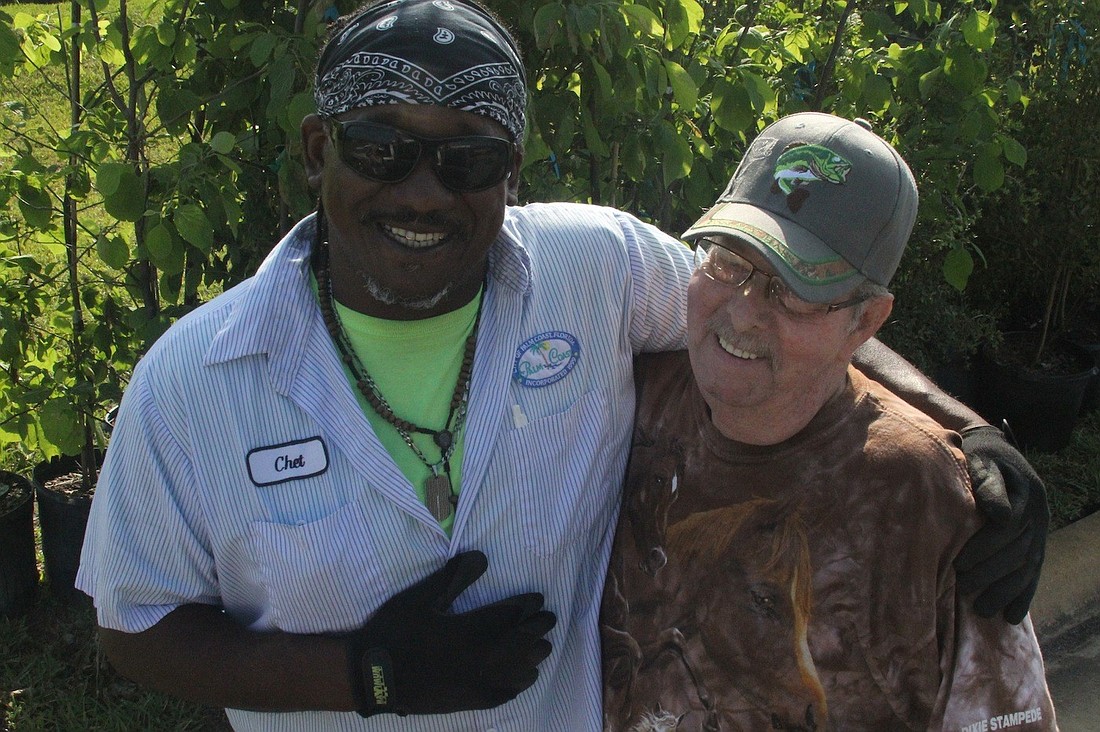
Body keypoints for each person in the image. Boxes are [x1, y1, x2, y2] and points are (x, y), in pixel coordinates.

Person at [76, 2, 1045, 730]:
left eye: (466, 160)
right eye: (380, 150)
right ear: (318, 148)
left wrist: (964, 429)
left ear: (510, 174)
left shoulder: (590, 267)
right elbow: (133, 630)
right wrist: (364, 674)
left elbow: (767, 304)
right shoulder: (192, 381)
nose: (420, 192)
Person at [600, 113, 1056, 731]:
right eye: (731, 260)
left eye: (795, 289)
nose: (743, 312)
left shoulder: (924, 499)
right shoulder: (626, 392)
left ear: (865, 323)